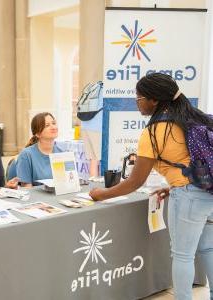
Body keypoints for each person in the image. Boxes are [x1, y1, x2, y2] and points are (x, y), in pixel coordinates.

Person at [89, 73, 213, 300]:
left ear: (154, 100)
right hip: (207, 192)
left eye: (139, 97)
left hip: (189, 198)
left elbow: (135, 181)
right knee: (207, 248)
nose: (137, 102)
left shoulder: (154, 132)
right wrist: (173, 186)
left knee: (183, 256)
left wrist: (101, 194)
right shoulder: (195, 119)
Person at [16, 112, 62, 187]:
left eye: (54, 123)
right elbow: (27, 188)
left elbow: (67, 184)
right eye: (47, 125)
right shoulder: (26, 155)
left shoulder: (62, 153)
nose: (53, 127)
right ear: (37, 133)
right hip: (36, 198)